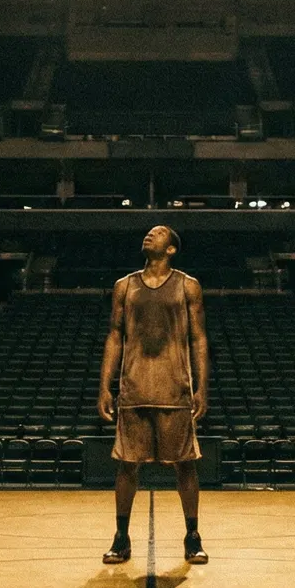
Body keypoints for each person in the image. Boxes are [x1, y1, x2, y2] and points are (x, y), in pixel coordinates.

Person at [97, 224, 209, 565]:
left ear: (172, 248)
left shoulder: (188, 286)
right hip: (133, 388)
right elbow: (115, 336)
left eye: (158, 233)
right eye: (148, 232)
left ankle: (192, 536)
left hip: (174, 389)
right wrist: (105, 385)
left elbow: (198, 339)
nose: (149, 235)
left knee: (185, 466)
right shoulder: (124, 286)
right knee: (126, 467)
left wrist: (202, 386)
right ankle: (121, 537)